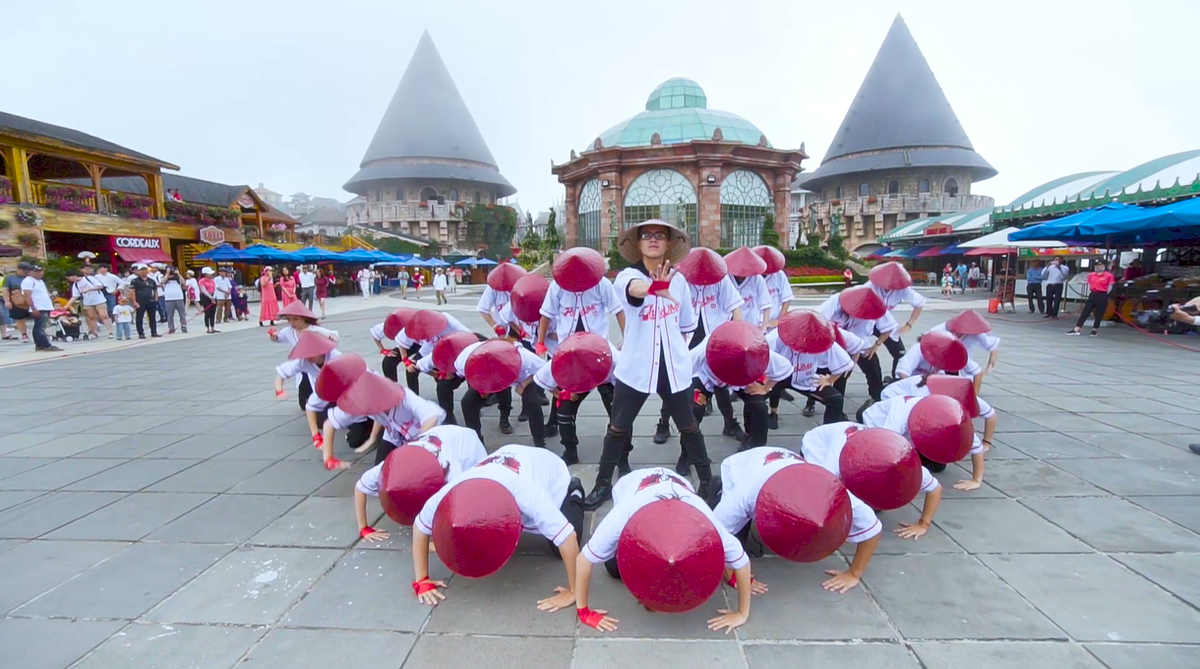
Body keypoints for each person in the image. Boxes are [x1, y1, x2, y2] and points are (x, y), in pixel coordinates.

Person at [584, 218, 712, 510]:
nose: (653, 239)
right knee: (617, 427)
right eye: (646, 235)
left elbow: (686, 326)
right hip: (637, 366)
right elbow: (635, 290)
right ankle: (603, 484)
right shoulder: (627, 276)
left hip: (673, 367)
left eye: (660, 235)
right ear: (638, 243)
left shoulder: (680, 281)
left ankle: (706, 482)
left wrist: (675, 349)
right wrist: (655, 287)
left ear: (668, 243)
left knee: (689, 426)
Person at [575, 467, 755, 634]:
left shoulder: (705, 522)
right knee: (615, 569)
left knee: (690, 563)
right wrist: (584, 612)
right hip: (631, 486)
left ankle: (716, 488)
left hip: (680, 488)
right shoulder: (623, 515)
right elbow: (583, 559)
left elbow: (742, 561)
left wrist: (742, 612)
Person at [411, 444, 585, 614]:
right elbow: (419, 526)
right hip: (507, 461)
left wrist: (574, 592)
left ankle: (576, 491)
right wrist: (422, 581)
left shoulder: (527, 491)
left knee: (559, 549)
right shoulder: (453, 490)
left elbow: (568, 538)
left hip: (552, 475)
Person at [802, 423, 943, 592]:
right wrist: (852, 571)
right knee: (830, 501)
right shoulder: (832, 466)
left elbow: (935, 488)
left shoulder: (903, 463)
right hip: (818, 446)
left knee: (865, 508)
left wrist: (923, 524)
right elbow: (871, 528)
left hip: (863, 449)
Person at [353, 425, 488, 542]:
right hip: (438, 437)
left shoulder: (450, 470)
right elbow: (360, 487)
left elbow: (455, 505)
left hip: (466, 442)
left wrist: (439, 541)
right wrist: (364, 528)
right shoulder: (389, 466)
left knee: (476, 494)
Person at [532, 332, 617, 465]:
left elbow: (626, 382)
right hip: (578, 378)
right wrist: (560, 394)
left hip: (607, 377)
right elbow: (541, 378)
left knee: (618, 416)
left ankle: (621, 457)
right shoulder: (563, 357)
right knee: (564, 412)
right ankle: (570, 451)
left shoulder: (613, 356)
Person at [767, 310, 853, 427]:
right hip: (781, 375)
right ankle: (773, 413)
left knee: (836, 399)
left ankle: (828, 430)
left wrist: (829, 380)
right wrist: (764, 383)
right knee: (757, 396)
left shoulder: (821, 339)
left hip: (806, 376)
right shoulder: (777, 336)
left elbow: (844, 361)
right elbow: (763, 354)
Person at [1068, 260, 1114, 337]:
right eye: (1096, 265)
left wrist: (1105, 294)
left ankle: (1095, 329)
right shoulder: (1091, 275)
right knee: (1085, 311)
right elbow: (1090, 284)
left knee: (1099, 313)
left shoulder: (1108, 275)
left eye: (1099, 265)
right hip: (1093, 294)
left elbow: (1110, 287)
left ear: (1104, 266)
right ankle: (1077, 328)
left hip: (1102, 294)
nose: (1097, 267)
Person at [21, 264, 61, 351]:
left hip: (45, 306)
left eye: (40, 271)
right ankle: (45, 345)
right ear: (29, 272)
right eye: (36, 271)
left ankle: (40, 345)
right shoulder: (28, 281)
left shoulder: (40, 281)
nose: (39, 273)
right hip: (38, 307)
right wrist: (33, 308)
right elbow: (27, 296)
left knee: (40, 327)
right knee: (40, 328)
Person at [65, 268, 111, 339]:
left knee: (104, 316)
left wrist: (89, 289)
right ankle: (95, 332)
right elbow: (75, 296)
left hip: (99, 300)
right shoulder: (76, 285)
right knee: (91, 317)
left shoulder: (88, 278)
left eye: (69, 278)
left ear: (73, 276)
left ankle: (110, 332)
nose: (69, 280)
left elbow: (100, 286)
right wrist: (67, 305)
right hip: (88, 302)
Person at [129, 264, 161, 339]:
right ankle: (141, 333)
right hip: (140, 301)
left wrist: (156, 300)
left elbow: (155, 290)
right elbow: (132, 291)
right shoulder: (135, 281)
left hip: (151, 301)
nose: (144, 271)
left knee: (152, 317)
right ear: (138, 271)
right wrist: (134, 302)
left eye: (145, 270)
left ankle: (154, 332)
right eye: (142, 270)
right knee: (139, 317)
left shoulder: (151, 281)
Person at [3, 262, 30, 342]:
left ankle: (41, 332)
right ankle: (24, 334)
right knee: (20, 318)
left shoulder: (30, 277)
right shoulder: (10, 278)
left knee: (39, 316)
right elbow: (5, 290)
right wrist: (7, 301)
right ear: (19, 270)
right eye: (24, 270)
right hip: (17, 301)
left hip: (30, 300)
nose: (26, 272)